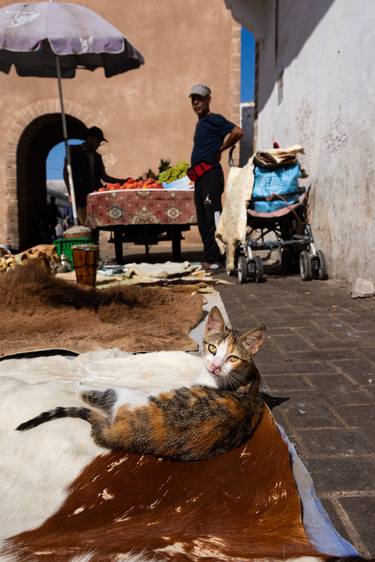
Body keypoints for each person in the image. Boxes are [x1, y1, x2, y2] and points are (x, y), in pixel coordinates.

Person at [188, 84, 243, 271]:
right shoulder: (200, 123)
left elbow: (238, 132)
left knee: (213, 217)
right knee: (202, 219)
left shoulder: (214, 119)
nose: (196, 102)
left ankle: (219, 258)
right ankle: (209, 256)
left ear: (208, 100)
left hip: (211, 175)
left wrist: (221, 149)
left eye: (200, 98)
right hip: (200, 177)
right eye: (193, 99)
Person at [64, 126, 126, 225]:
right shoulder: (73, 152)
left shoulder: (97, 157)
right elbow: (66, 173)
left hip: (95, 198)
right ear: (90, 139)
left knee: (96, 226)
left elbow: (104, 177)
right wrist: (70, 192)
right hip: (81, 198)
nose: (98, 145)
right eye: (98, 141)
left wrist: (123, 182)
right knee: (85, 226)